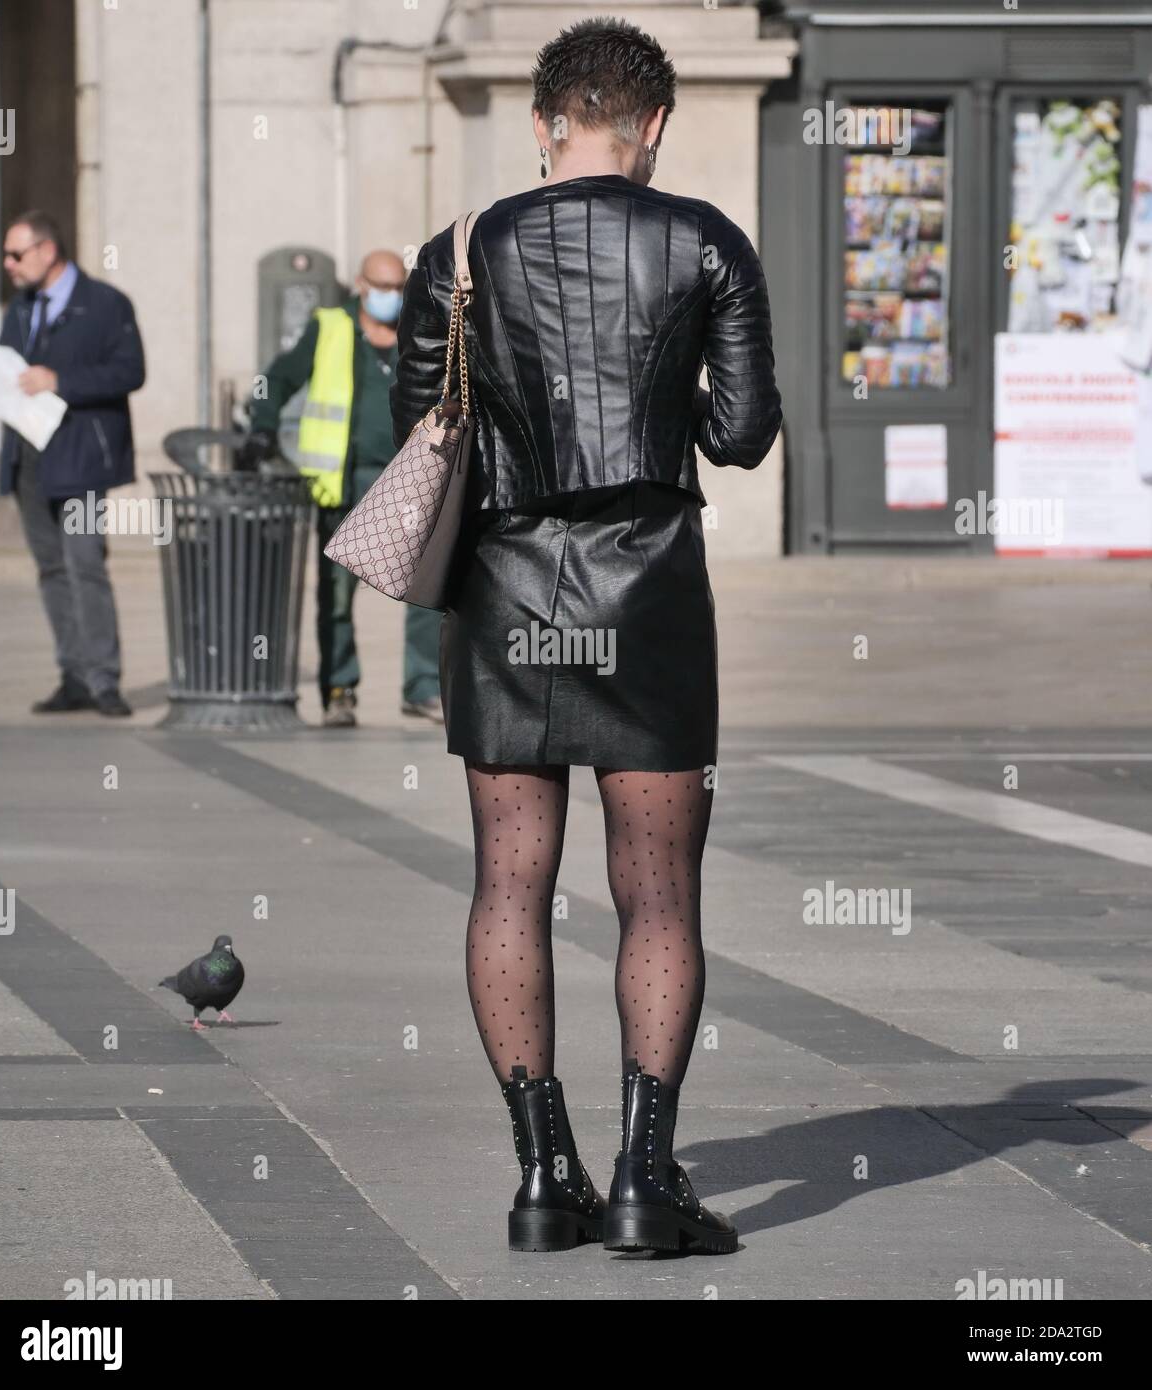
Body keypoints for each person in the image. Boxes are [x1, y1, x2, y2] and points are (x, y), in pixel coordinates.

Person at [391, 18, 782, 1254]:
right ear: (653, 122)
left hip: (505, 592)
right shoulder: (704, 241)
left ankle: (539, 1172)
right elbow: (742, 433)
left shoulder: (461, 250)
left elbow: (421, 423)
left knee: (508, 878)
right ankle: (643, 1178)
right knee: (655, 891)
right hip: (649, 589)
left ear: (544, 118)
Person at [242, 251, 444, 728]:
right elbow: (277, 378)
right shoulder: (330, 328)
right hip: (344, 482)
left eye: (399, 288)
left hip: (408, 477)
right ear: (359, 284)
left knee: (425, 588)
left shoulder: (420, 328)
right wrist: (261, 426)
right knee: (335, 596)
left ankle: (423, 687)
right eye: (382, 286)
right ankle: (339, 689)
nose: (391, 297)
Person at [0, 210, 146, 717]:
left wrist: (60, 381)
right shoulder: (18, 311)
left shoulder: (105, 304)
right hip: (28, 459)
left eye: (16, 254)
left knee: (85, 565)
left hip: (81, 457)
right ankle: (74, 675)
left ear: (46, 250)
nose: (8, 264)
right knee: (51, 569)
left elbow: (131, 371)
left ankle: (105, 680)